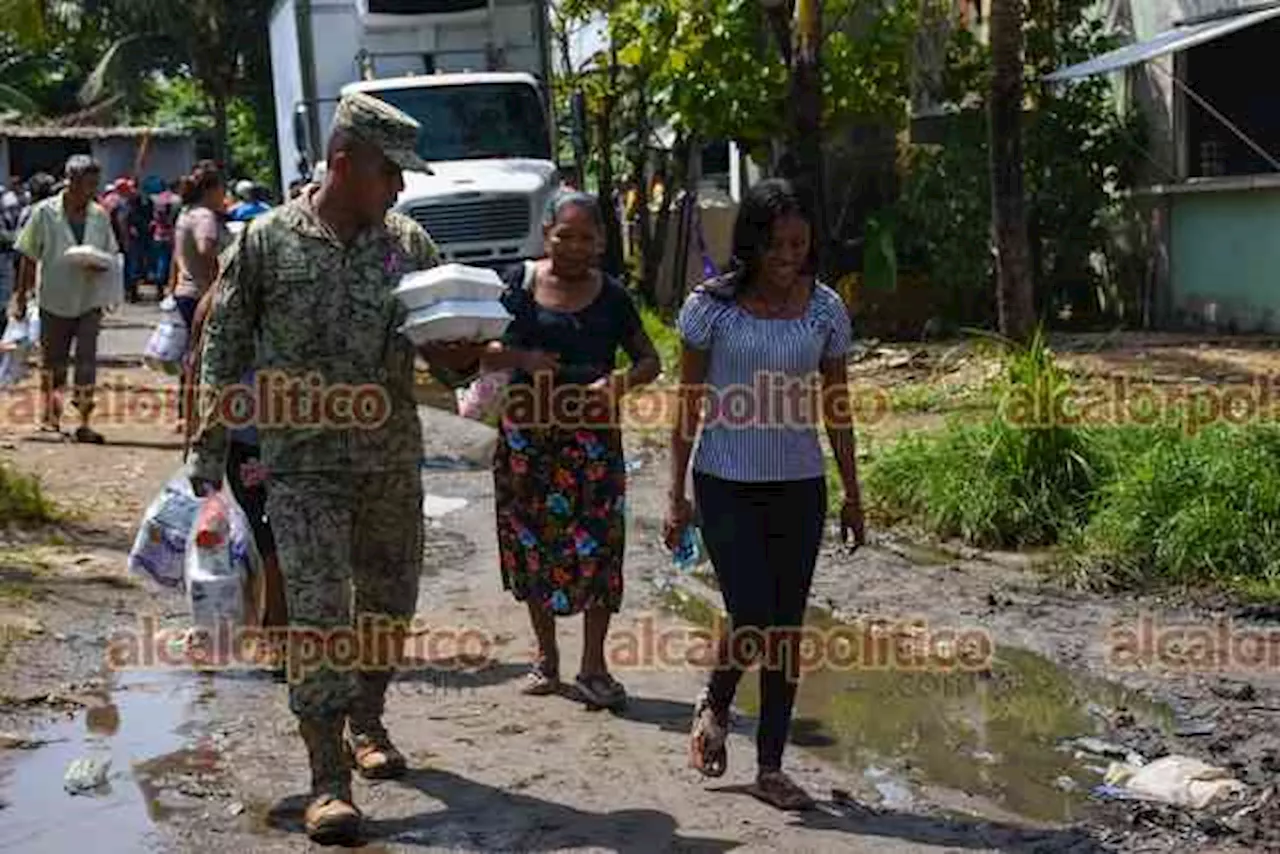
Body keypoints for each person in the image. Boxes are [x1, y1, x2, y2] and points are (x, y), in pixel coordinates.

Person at [187, 91, 483, 845]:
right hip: (302, 465)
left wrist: (463, 363)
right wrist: (209, 445)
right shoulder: (267, 243)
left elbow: (448, 353)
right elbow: (224, 342)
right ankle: (327, 781)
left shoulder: (408, 245)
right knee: (319, 619)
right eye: (391, 172)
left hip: (389, 459)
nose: (401, 188)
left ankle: (369, 721)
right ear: (345, 164)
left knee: (386, 604)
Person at [662, 178, 866, 811]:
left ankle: (771, 767)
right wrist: (675, 495)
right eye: (776, 244)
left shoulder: (824, 309)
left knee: (784, 629)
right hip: (725, 482)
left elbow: (837, 406)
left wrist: (853, 493)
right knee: (751, 616)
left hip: (799, 486)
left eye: (799, 244)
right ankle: (717, 699)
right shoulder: (710, 308)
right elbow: (688, 407)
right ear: (752, 243)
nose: (787, 257)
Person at [460, 191, 661, 707]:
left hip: (592, 443)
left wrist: (618, 383)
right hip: (527, 441)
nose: (574, 247)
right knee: (531, 544)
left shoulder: (613, 296)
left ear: (601, 242)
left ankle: (594, 666)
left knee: (599, 548)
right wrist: (525, 357)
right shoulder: (517, 286)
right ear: (545, 234)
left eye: (586, 237)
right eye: (563, 235)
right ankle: (546, 659)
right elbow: (478, 349)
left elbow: (649, 361)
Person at [11, 155, 121, 443]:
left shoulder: (99, 214)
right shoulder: (44, 213)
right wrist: (21, 297)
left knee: (86, 363)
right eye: (87, 184)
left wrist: (100, 267)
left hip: (89, 299)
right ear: (70, 181)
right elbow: (28, 255)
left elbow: (111, 253)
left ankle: (84, 421)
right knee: (53, 364)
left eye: (95, 184)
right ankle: (51, 418)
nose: (92, 190)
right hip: (53, 300)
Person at [173, 162, 230, 433]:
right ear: (212, 189)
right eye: (222, 189)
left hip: (185, 291)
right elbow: (206, 248)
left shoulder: (186, 213)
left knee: (193, 353)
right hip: (202, 294)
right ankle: (197, 414)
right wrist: (219, 282)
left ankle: (186, 411)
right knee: (204, 355)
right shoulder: (205, 217)